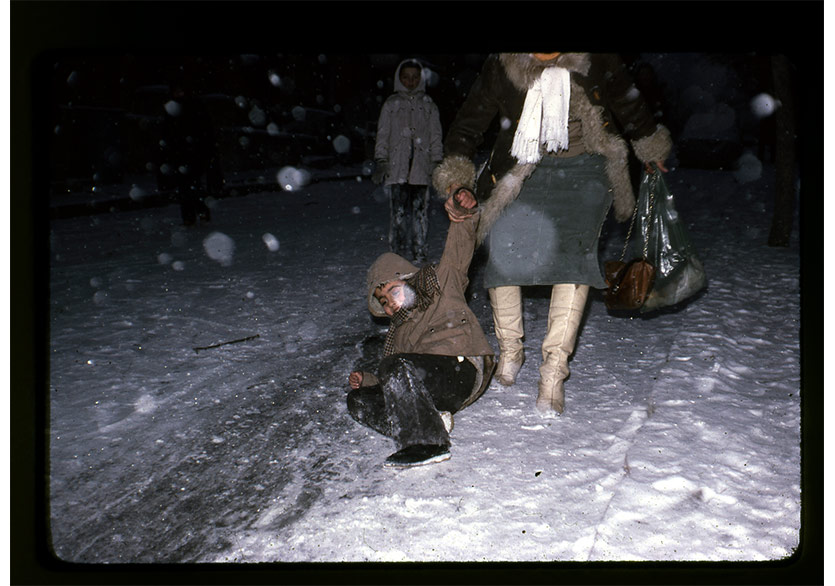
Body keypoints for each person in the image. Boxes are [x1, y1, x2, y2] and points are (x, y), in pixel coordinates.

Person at [432, 53, 672, 416]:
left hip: (587, 169)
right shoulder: (503, 64)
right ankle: (511, 351)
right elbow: (468, 125)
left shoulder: (597, 58)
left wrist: (649, 146)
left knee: (574, 260)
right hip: (522, 165)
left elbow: (627, 101)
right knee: (502, 256)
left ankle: (553, 373)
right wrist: (456, 180)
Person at [346, 189, 495, 468]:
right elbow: (400, 382)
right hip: (430, 388)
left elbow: (458, 250)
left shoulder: (440, 285)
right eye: (383, 302)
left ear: (408, 280)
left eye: (392, 291)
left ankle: (427, 443)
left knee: (396, 364)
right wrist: (367, 380)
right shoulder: (399, 331)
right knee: (358, 401)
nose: (389, 305)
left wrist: (462, 216)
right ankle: (432, 422)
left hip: (463, 369)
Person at [372, 59, 443, 264]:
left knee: (421, 212)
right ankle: (397, 253)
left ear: (420, 79)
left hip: (421, 168)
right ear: (399, 79)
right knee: (399, 213)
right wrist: (381, 160)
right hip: (398, 168)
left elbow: (435, 135)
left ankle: (419, 251)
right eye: (406, 77)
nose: (410, 82)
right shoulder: (391, 104)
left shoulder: (428, 105)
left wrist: (436, 161)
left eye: (415, 77)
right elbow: (383, 134)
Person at [157, 77, 219, 226]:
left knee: (194, 185)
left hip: (194, 154)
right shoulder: (172, 109)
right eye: (176, 91)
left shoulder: (194, 106)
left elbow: (204, 129)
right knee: (185, 187)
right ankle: (189, 216)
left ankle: (200, 211)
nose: (179, 93)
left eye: (180, 90)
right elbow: (167, 132)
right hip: (180, 154)